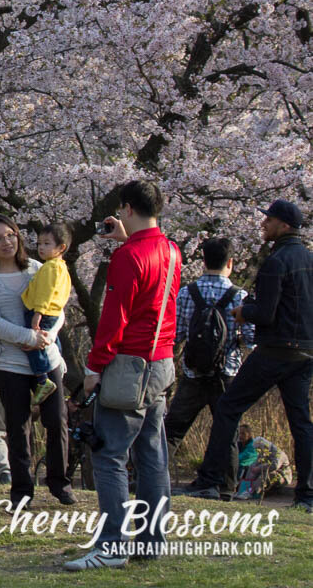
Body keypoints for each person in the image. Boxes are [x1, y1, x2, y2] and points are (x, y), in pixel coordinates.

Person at [65, 180, 179, 571]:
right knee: (152, 456)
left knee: (109, 454)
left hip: (129, 363)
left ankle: (112, 545)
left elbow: (115, 318)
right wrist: (126, 238)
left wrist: (95, 368)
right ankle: (150, 543)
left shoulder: (129, 257)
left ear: (127, 208)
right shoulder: (171, 250)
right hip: (162, 362)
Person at [182, 199, 313, 512]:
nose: (264, 224)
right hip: (305, 352)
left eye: (269, 220)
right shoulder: (309, 258)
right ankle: (307, 494)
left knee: (229, 406)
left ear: (283, 225)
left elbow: (265, 312)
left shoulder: (276, 260)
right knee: (301, 423)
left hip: (274, 350)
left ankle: (211, 481)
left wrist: (243, 312)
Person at [0, 214, 73, 509]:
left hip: (48, 356)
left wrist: (49, 335)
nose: (7, 242)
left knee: (57, 422)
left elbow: (58, 306)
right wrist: (29, 338)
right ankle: (22, 490)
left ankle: (60, 483)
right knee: (18, 427)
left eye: (11, 235)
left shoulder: (37, 268)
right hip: (11, 361)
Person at [163, 237, 254, 494]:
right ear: (231, 263)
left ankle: (152, 477)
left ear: (203, 261)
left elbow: (176, 335)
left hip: (194, 372)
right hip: (227, 373)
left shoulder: (186, 293)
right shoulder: (240, 296)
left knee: (173, 429)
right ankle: (226, 487)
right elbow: (250, 339)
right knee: (228, 430)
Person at [22, 222, 73, 406]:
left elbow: (45, 292)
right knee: (50, 341)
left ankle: (42, 379)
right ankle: (57, 359)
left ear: (61, 248)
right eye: (39, 243)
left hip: (42, 312)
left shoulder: (50, 268)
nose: (41, 247)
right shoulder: (61, 267)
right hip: (53, 312)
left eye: (47, 244)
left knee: (34, 345)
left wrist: (38, 312)